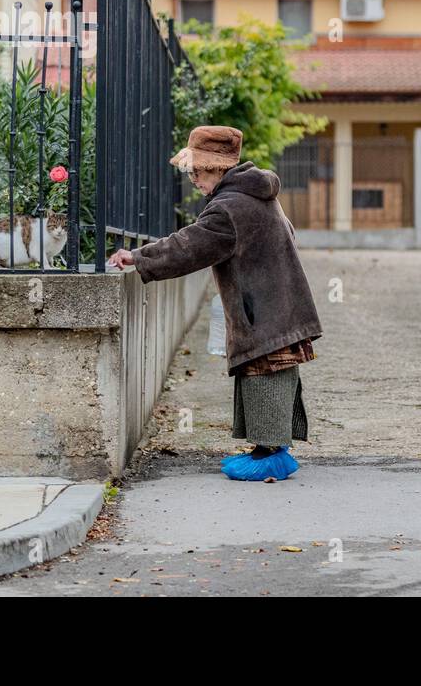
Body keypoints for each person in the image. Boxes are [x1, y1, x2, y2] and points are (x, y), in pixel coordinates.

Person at [107, 125, 322, 483]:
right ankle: (270, 451)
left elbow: (188, 247)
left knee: (263, 370)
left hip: (264, 308)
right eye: (190, 170)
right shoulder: (257, 194)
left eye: (197, 170)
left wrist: (138, 257)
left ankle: (270, 455)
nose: (192, 177)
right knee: (268, 369)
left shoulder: (230, 207)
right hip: (276, 304)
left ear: (217, 167)